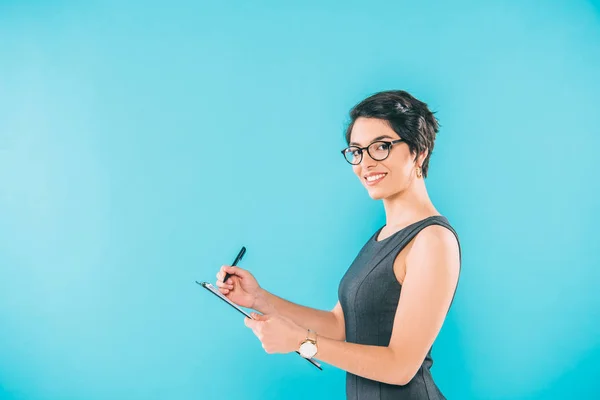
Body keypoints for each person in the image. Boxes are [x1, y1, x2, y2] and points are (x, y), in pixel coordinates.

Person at [215, 90, 461, 399]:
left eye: (382, 147)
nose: (366, 163)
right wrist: (259, 299)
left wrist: (302, 342)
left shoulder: (432, 240)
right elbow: (340, 326)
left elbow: (401, 366)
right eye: (357, 151)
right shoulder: (384, 236)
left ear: (419, 151)